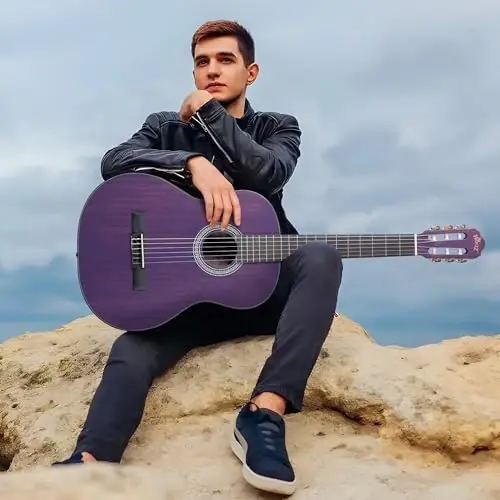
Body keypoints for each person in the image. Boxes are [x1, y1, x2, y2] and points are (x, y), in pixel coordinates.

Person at [53, 19, 343, 496]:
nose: (212, 70)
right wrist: (191, 163)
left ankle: (263, 415)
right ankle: (91, 460)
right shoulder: (164, 128)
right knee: (130, 350)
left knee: (321, 257)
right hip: (189, 301)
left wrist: (209, 112)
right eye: (202, 62)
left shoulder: (277, 127)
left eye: (225, 60)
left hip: (263, 293)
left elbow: (266, 174)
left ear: (251, 73)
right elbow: (114, 162)